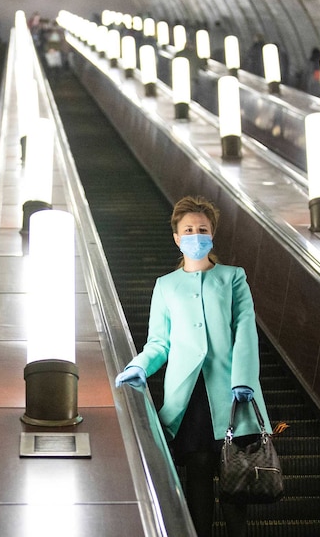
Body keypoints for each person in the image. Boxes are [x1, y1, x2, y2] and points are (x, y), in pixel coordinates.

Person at [115, 195, 271, 537]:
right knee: (197, 472)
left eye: (202, 229)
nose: (195, 235)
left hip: (231, 391)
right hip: (189, 394)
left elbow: (245, 330)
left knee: (234, 478)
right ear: (176, 237)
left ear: (212, 234)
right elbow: (159, 342)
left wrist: (244, 379)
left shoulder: (233, 278)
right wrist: (140, 365)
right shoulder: (165, 286)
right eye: (188, 230)